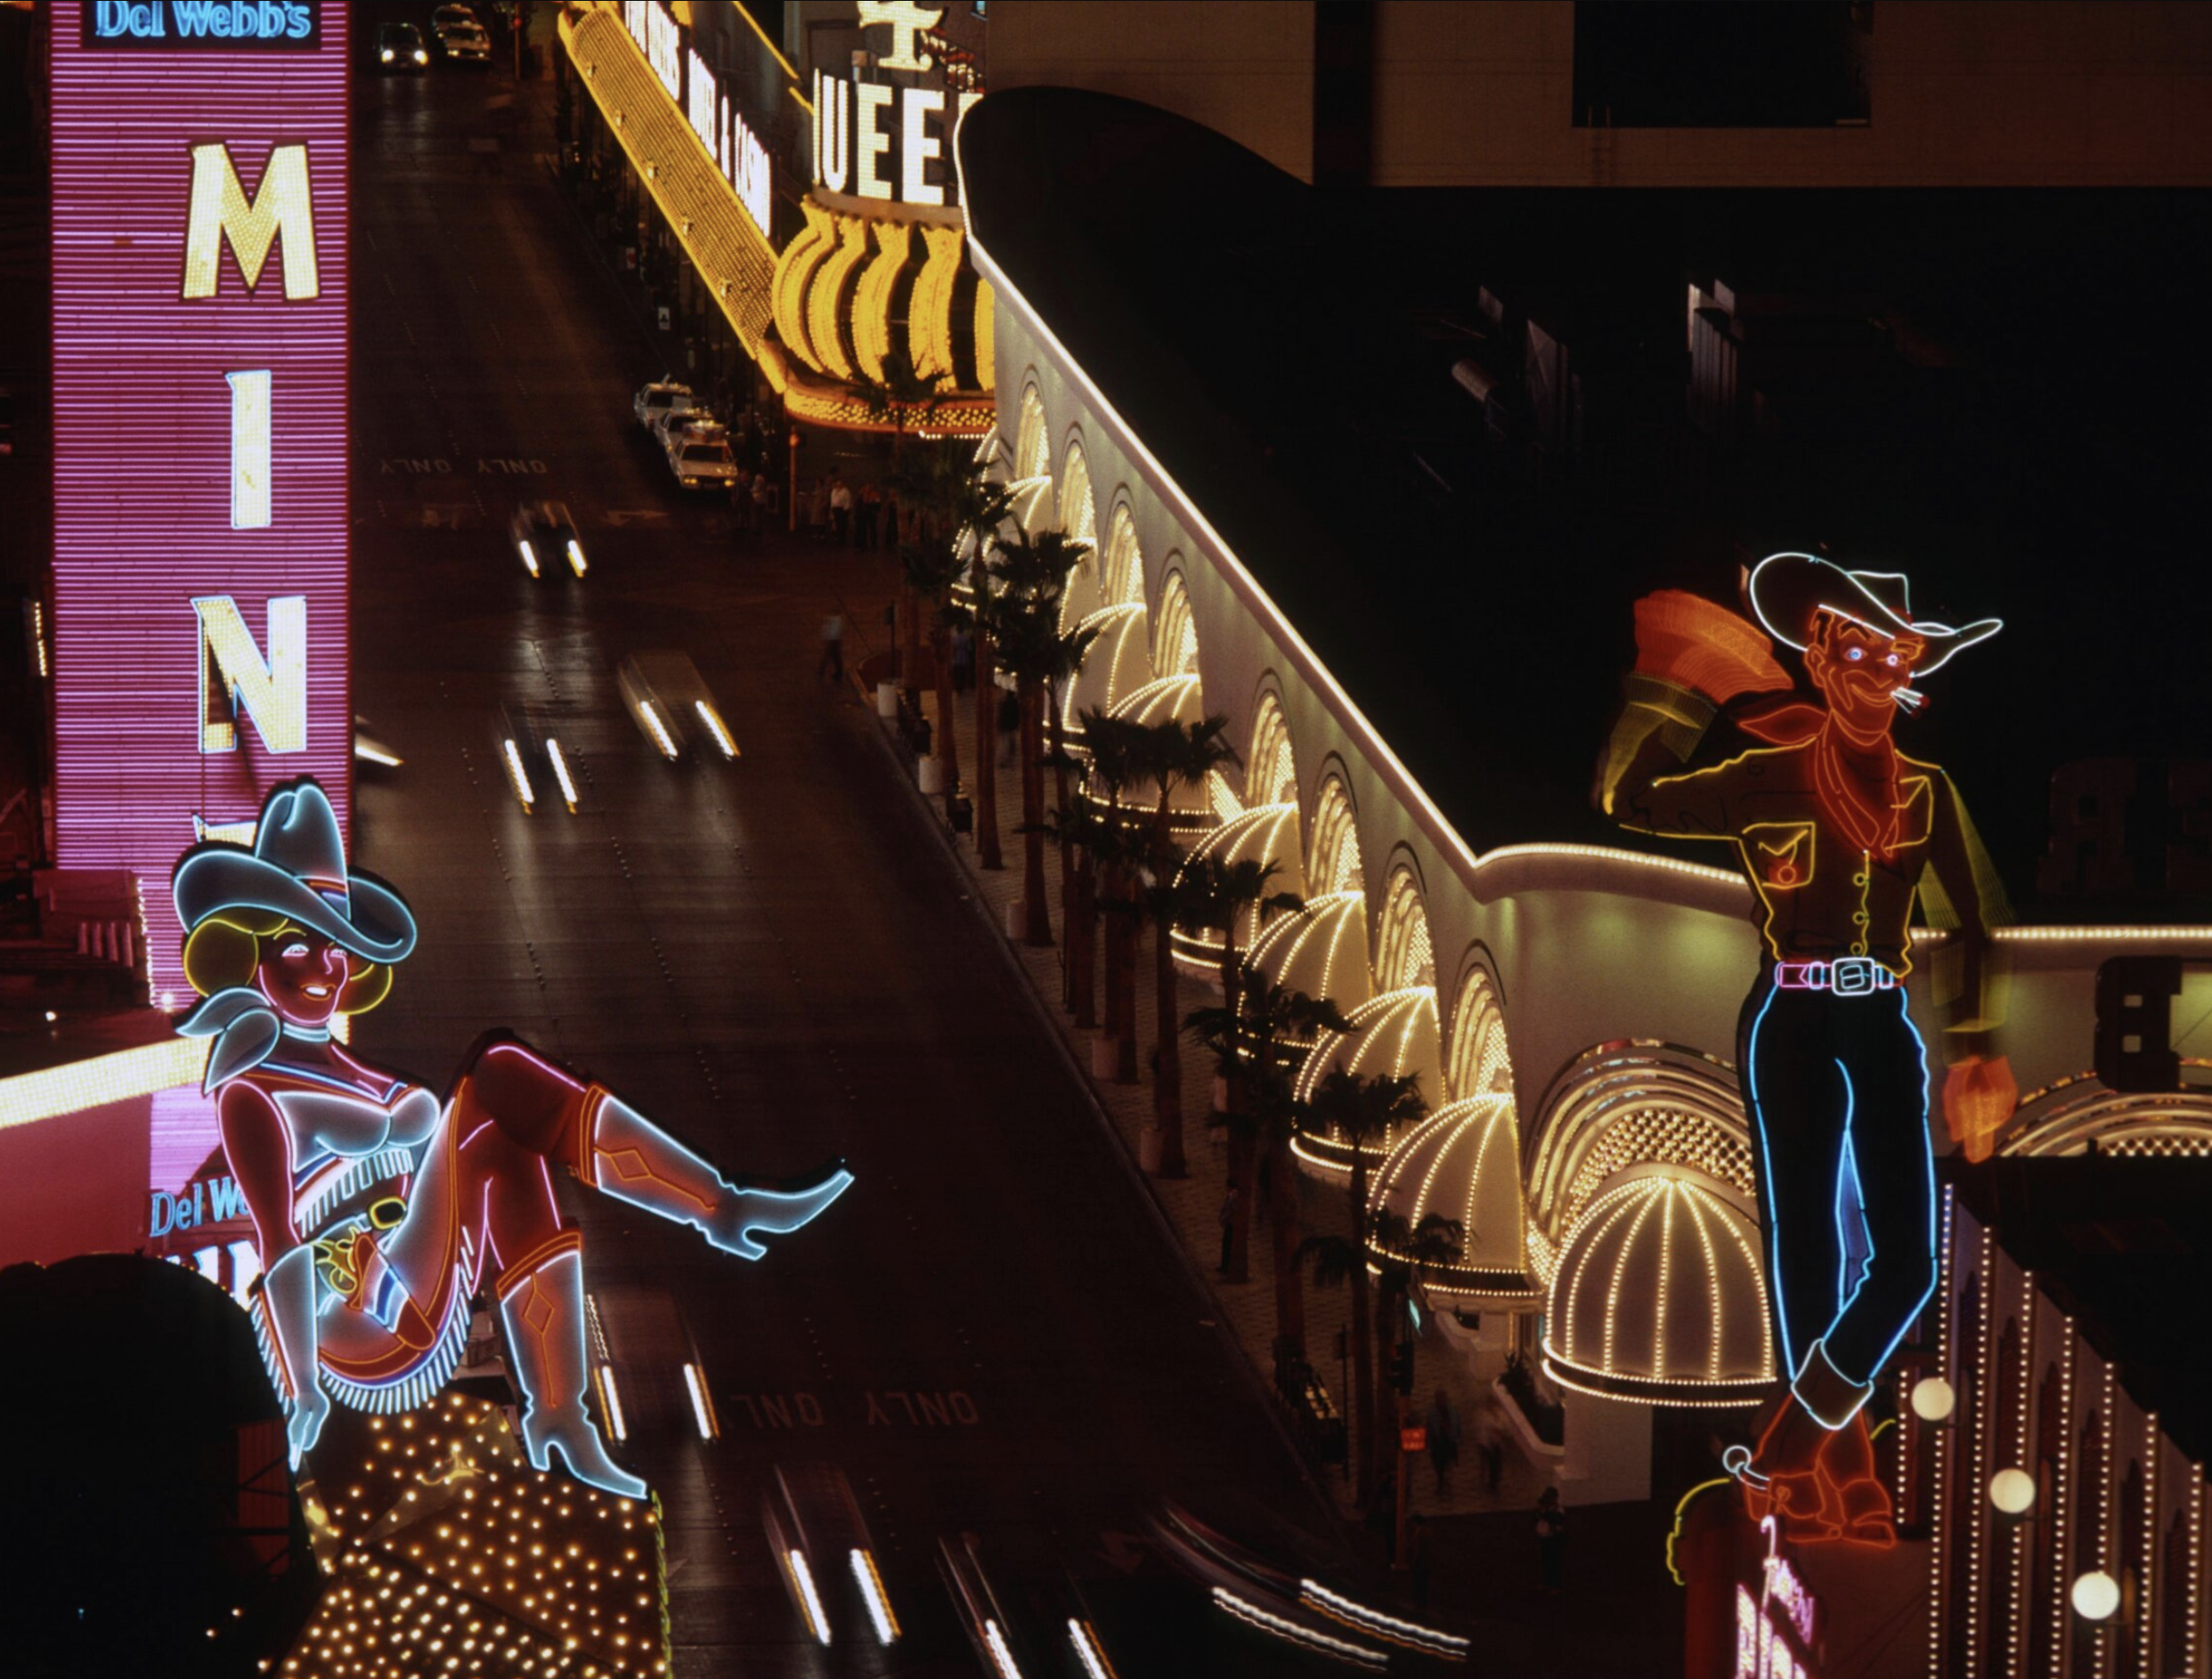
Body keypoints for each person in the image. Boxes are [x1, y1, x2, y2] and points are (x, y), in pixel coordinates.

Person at [172, 781, 852, 1498]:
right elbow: (279, 1244)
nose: (322, 967)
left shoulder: (339, 1063)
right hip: (351, 1322)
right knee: (498, 1071)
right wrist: (303, 1388)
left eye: (335, 945)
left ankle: (560, 1417)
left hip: (404, 1276)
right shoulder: (251, 1093)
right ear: (251, 956)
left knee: (505, 1142)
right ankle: (721, 1209)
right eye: (294, 945)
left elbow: (419, 1143)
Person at [1595, 554, 2008, 1549]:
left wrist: (1974, 1047)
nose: (1880, 670)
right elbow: (1626, 798)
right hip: (1791, 1017)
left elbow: (1975, 919)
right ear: (1821, 660)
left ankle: (1788, 1449)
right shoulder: (1766, 776)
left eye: (1897, 653)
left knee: (1905, 1262)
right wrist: (1678, 685)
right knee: (1807, 1246)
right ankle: (1845, 1471)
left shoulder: (1928, 792)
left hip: (1882, 1023)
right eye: (1858, 649)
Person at [1426, 1386, 1461, 1492]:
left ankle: (1445, 1483)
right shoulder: (1432, 1413)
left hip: (1449, 1442)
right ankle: (1441, 1479)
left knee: (1449, 1463)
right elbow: (1429, 1427)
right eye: (1439, 1398)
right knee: (1438, 1464)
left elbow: (1457, 1425)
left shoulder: (1452, 1412)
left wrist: (1458, 1437)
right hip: (1437, 1444)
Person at [1534, 1488, 1566, 1594]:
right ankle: (1547, 1583)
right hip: (1544, 1537)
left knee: (1554, 1562)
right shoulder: (1545, 1508)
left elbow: (1556, 1519)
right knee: (1545, 1561)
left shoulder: (1558, 1509)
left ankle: (1556, 1585)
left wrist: (1543, 1512)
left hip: (1553, 1538)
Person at [1216, 1180, 1241, 1274]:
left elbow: (1229, 1210)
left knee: (1227, 1245)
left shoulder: (1233, 1197)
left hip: (1230, 1224)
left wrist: (1223, 1220)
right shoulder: (1234, 1196)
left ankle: (1226, 1266)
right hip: (1230, 1223)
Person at [996, 686, 1021, 768]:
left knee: (1004, 744)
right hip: (1010, 726)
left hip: (1005, 726)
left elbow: (1001, 714)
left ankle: (1003, 761)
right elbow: (1016, 715)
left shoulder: (1003, 703)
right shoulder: (1014, 703)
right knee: (1010, 744)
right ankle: (1009, 761)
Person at [818, 612, 845, 683]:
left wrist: (826, 639)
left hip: (833, 641)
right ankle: (838, 672)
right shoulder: (837, 620)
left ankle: (822, 670)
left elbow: (832, 631)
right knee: (835, 657)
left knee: (830, 656)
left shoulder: (834, 620)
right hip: (834, 640)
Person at [948, 624, 975, 694]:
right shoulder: (966, 638)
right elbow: (970, 648)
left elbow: (952, 648)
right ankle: (962, 687)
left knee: (957, 673)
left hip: (957, 656)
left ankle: (958, 688)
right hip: (964, 656)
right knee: (963, 673)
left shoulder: (954, 638)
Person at [829, 475, 854, 545]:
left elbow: (848, 500)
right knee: (837, 524)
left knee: (842, 524)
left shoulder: (845, 491)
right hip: (835, 509)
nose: (838, 484)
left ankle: (842, 539)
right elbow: (832, 500)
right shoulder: (834, 491)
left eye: (840, 483)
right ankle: (838, 538)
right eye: (837, 483)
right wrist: (832, 508)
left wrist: (846, 509)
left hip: (842, 509)